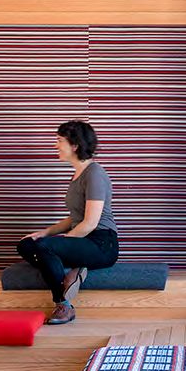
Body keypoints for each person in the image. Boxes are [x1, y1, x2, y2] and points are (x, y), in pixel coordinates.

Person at [17, 120, 119, 325]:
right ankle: (76, 269)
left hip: (101, 244)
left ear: (75, 145)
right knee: (26, 244)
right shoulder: (77, 174)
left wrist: (60, 242)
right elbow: (75, 218)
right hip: (83, 240)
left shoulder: (94, 174)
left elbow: (90, 223)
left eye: (59, 140)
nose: (55, 145)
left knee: (45, 247)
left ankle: (63, 304)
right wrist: (45, 233)